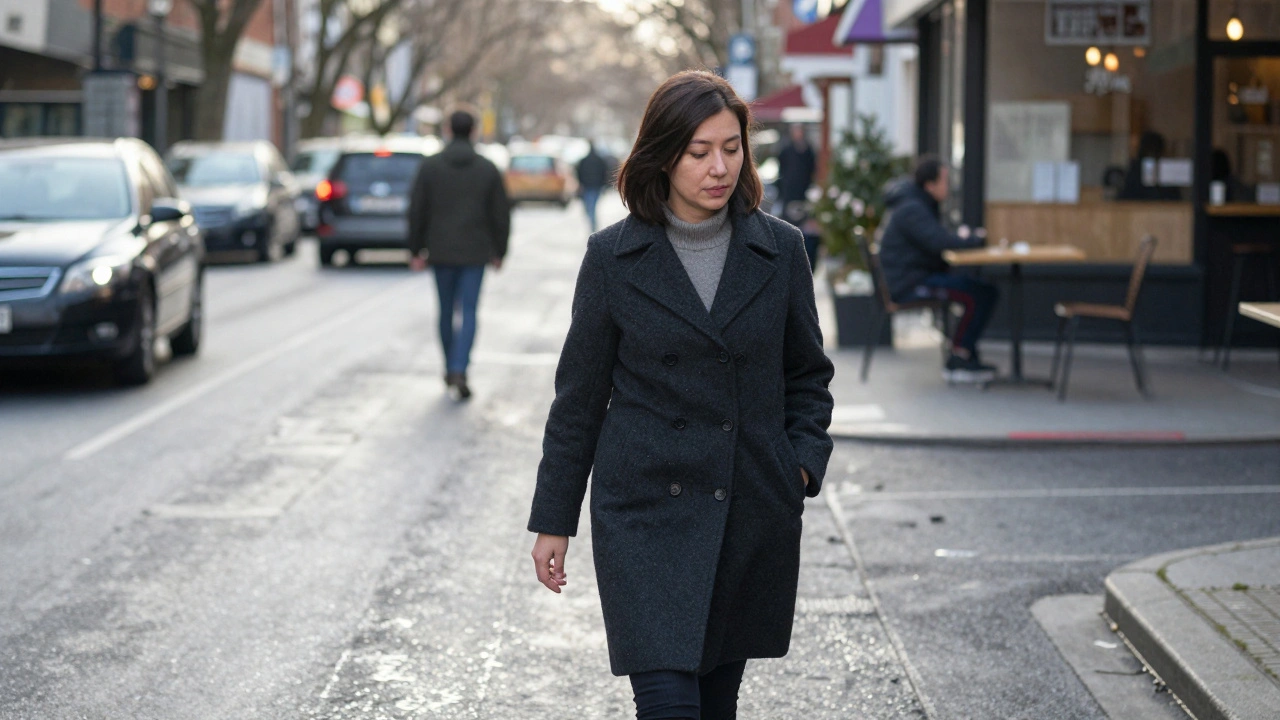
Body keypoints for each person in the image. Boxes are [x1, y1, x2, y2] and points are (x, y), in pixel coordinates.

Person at [527, 70, 834, 720]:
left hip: (746, 507)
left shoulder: (780, 251)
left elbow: (807, 376)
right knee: (668, 706)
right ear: (663, 155)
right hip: (643, 515)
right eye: (699, 152)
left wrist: (798, 468)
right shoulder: (613, 258)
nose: (719, 167)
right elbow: (578, 400)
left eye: (732, 148)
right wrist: (554, 519)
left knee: (716, 706)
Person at [407, 109, 510, 400]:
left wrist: (415, 249)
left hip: (440, 251)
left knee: (445, 311)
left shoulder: (430, 167)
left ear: (448, 130)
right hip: (475, 252)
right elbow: (500, 213)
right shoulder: (487, 169)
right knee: (469, 312)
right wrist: (500, 250)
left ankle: (449, 365)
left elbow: (417, 210)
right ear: (474, 131)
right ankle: (459, 366)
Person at [878, 156, 999, 382]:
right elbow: (939, 241)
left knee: (980, 289)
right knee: (979, 294)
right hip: (911, 283)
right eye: (945, 180)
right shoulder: (913, 208)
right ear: (930, 185)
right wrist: (975, 240)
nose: (949, 186)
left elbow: (936, 239)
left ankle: (964, 354)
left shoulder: (917, 203)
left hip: (916, 276)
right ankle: (959, 358)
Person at [775, 123, 819, 268]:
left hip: (804, 194)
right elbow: (781, 169)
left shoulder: (808, 151)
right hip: (789, 194)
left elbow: (812, 169)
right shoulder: (786, 150)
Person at [576, 141, 610, 233]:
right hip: (596, 186)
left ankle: (592, 224)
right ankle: (593, 224)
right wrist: (603, 184)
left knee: (589, 207)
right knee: (592, 206)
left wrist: (581, 183)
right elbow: (605, 172)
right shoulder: (599, 160)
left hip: (587, 186)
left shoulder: (584, 160)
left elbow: (579, 172)